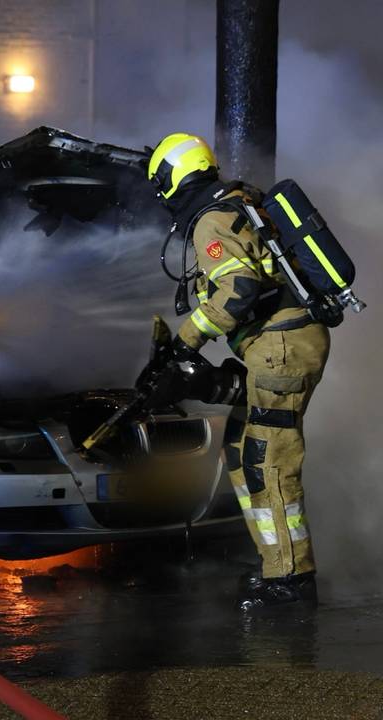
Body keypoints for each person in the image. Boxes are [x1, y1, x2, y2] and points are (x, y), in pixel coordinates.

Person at [146, 133, 329, 611]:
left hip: (281, 344)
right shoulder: (240, 204)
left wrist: (188, 339)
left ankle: (290, 580)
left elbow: (240, 286)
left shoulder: (211, 220)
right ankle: (275, 559)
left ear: (169, 180)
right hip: (279, 342)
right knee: (239, 445)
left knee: (268, 460)